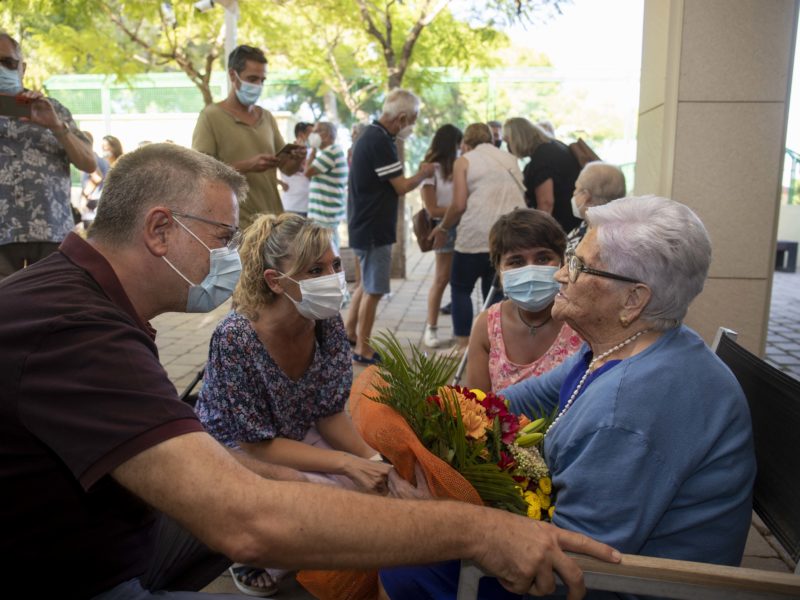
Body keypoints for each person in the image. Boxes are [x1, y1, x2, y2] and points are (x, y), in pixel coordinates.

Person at [0, 142, 619, 599]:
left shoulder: (83, 301)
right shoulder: (75, 328)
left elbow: (325, 417)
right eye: (221, 235)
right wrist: (480, 532)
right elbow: (246, 514)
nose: (228, 255)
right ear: (160, 229)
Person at [381, 196, 756, 600]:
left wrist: (437, 521)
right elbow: (506, 403)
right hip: (591, 556)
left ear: (633, 300)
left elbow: (569, 569)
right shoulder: (622, 347)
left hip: (625, 583)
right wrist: (419, 419)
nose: (560, 274)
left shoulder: (627, 409)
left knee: (405, 563)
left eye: (578, 265)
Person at [196, 213, 391, 595]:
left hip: (295, 431)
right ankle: (250, 554)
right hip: (234, 446)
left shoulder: (325, 321)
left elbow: (330, 413)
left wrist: (374, 462)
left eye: (335, 265)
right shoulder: (237, 338)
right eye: (314, 270)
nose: (333, 278)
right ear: (275, 281)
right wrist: (347, 464)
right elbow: (255, 443)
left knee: (367, 495)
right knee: (311, 497)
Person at [346, 89, 435, 365]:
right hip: (374, 227)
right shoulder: (381, 142)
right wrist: (424, 173)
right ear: (402, 117)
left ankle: (349, 332)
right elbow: (401, 187)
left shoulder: (371, 135)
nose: (413, 125)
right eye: (414, 119)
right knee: (374, 289)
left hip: (363, 222)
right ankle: (363, 346)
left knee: (364, 285)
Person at [0, 32, 96, 279]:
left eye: (9, 63)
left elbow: (88, 163)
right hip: (2, 235)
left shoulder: (53, 109)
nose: (2, 69)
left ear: (23, 68)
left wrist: (57, 127)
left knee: (50, 310)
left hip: (52, 233)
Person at [431, 123, 526, 349]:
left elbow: (459, 204)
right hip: (508, 235)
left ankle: (463, 344)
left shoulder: (464, 160)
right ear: (491, 140)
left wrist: (443, 228)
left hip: (475, 234)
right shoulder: (510, 159)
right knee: (495, 290)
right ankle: (492, 345)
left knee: (461, 288)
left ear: (465, 142)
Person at [466, 208, 582, 392]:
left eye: (543, 258)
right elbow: (474, 408)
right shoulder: (487, 327)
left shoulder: (581, 323)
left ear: (562, 261)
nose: (531, 271)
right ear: (499, 269)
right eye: (516, 261)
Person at [192, 44, 303, 230]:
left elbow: (287, 169)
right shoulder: (210, 117)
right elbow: (201, 174)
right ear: (233, 76)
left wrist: (297, 159)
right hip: (236, 225)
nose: (258, 85)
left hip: (272, 222)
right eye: (252, 79)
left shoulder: (266, 117)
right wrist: (247, 166)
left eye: (262, 80)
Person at [420, 124, 462, 348]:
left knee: (458, 281)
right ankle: (431, 328)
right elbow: (431, 209)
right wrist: (458, 209)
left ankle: (459, 330)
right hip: (443, 227)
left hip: (464, 227)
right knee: (441, 278)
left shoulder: (461, 166)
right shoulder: (430, 169)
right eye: (459, 143)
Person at [504, 117, 581, 233]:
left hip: (563, 226)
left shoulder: (542, 158)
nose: (508, 147)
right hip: (574, 221)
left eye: (508, 141)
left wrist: (538, 235)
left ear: (517, 139)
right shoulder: (554, 146)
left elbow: (546, 203)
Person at [305, 121, 348, 251]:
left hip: (324, 218)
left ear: (327, 135)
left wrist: (312, 151)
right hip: (325, 217)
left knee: (327, 254)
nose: (313, 135)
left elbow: (307, 172)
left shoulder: (331, 152)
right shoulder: (331, 152)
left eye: (316, 131)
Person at [566, 161, 626, 252]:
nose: (574, 193)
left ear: (585, 196)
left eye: (576, 188)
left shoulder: (604, 242)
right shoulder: (586, 225)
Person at [280, 121, 313, 217]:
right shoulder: (286, 151)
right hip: (290, 206)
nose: (315, 136)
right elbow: (270, 169)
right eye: (312, 133)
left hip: (309, 207)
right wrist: (279, 183)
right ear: (301, 135)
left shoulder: (313, 152)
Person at [79, 131, 111, 227]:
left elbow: (96, 177)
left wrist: (84, 197)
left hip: (92, 206)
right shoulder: (103, 161)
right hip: (100, 205)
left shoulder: (89, 159)